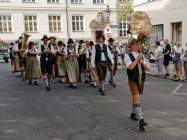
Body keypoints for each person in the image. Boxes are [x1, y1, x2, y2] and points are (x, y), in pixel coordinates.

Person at [124, 39, 150, 131]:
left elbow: (148, 68)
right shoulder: (127, 56)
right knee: (137, 98)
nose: (137, 46)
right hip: (133, 79)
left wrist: (142, 61)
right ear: (131, 46)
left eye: (138, 45)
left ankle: (133, 113)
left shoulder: (142, 56)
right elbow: (130, 67)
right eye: (135, 45)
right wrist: (137, 59)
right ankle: (141, 120)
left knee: (136, 98)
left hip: (141, 79)